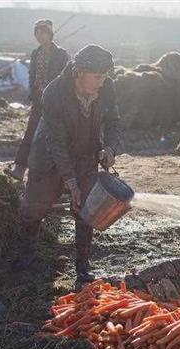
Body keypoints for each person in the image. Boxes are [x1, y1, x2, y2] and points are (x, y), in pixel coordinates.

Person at [14, 44, 120, 290]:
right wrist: (70, 183)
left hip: (85, 154)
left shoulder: (107, 88)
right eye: (97, 77)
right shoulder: (54, 93)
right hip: (49, 155)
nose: (102, 82)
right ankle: (28, 254)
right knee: (34, 208)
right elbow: (57, 144)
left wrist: (110, 149)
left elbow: (114, 122)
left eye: (105, 76)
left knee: (86, 209)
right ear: (79, 73)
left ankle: (82, 266)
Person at [6, 19, 70, 181]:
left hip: (55, 102)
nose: (39, 36)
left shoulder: (61, 54)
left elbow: (67, 78)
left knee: (56, 136)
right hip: (38, 100)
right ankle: (20, 168)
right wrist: (32, 92)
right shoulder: (36, 53)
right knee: (31, 132)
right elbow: (32, 75)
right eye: (37, 33)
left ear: (50, 34)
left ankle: (59, 173)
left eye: (42, 33)